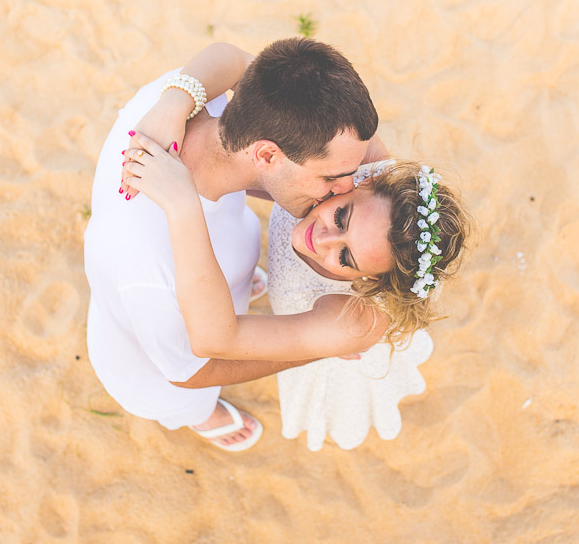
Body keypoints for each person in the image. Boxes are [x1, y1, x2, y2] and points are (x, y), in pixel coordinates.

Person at [84, 39, 384, 451]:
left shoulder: (196, 105)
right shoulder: (151, 273)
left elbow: (238, 60)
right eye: (332, 176)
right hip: (161, 365)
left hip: (212, 275)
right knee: (187, 402)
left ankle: (242, 280)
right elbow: (191, 371)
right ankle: (202, 418)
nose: (345, 187)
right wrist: (322, 344)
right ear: (266, 154)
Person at [125, 136, 470, 450]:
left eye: (346, 257)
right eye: (341, 215)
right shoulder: (360, 158)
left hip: (318, 326)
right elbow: (243, 69)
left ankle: (198, 413)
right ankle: (256, 277)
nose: (321, 239)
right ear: (365, 181)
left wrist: (183, 205)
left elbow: (210, 349)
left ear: (367, 283)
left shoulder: (353, 322)